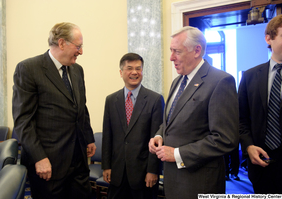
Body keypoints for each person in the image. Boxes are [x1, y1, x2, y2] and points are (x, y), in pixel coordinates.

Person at [148, 26, 239, 199]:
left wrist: (176, 154)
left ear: (197, 50)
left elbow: (225, 139)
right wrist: (159, 136)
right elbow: (171, 121)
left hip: (199, 182)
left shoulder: (220, 81)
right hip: (173, 181)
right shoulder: (178, 81)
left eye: (177, 51)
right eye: (171, 51)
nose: (171, 57)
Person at [12, 22, 96, 199]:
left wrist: (88, 138)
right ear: (62, 43)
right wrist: (39, 158)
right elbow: (23, 121)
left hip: (78, 161)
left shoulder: (77, 70)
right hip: (48, 164)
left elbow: (81, 107)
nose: (81, 52)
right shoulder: (28, 69)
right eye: (78, 46)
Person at [102, 53, 164, 199]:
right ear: (121, 72)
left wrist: (153, 171)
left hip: (143, 174)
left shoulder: (155, 100)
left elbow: (157, 138)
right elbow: (107, 135)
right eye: (129, 68)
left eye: (138, 68)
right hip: (117, 173)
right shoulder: (111, 100)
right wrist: (106, 166)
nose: (134, 72)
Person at [238, 14, 282, 193]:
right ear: (269, 38)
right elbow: (240, 119)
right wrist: (248, 146)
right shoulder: (249, 77)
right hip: (261, 165)